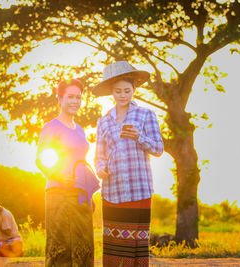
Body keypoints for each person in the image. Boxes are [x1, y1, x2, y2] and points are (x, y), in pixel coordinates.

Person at [92, 61, 164, 267]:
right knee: (114, 247)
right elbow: (99, 155)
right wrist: (100, 169)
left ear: (134, 90)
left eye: (127, 90)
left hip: (138, 190)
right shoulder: (103, 121)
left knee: (136, 247)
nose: (122, 95)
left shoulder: (146, 115)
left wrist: (139, 137)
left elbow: (158, 148)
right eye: (117, 91)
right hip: (112, 191)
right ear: (111, 93)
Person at [36, 79, 100, 267]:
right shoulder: (51, 127)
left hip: (81, 195)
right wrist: (59, 177)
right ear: (60, 99)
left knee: (84, 243)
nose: (75, 101)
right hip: (59, 193)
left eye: (78, 97)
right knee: (61, 246)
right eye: (70, 97)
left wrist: (88, 192)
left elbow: (80, 160)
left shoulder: (80, 130)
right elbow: (40, 159)